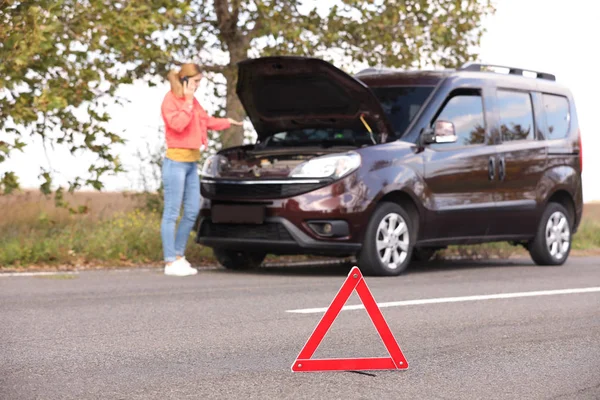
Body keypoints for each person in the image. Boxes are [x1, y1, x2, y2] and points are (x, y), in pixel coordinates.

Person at [160, 63, 243, 276]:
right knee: (171, 212)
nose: (197, 86)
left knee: (191, 211)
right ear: (185, 80)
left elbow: (205, 121)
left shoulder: (193, 101)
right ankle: (170, 261)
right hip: (175, 162)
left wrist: (227, 122)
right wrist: (187, 101)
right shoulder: (171, 100)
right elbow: (178, 125)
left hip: (191, 162)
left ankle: (179, 256)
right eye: (196, 81)